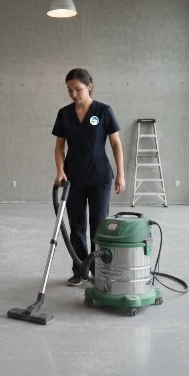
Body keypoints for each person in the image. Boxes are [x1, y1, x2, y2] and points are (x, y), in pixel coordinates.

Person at [52, 68, 125, 285]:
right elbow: (59, 147)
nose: (74, 94)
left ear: (89, 86)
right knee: (76, 225)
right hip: (73, 177)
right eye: (69, 90)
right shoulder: (64, 114)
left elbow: (116, 144)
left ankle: (98, 269)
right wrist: (60, 170)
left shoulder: (103, 111)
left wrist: (121, 174)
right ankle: (80, 269)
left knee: (99, 224)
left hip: (100, 176)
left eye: (78, 89)